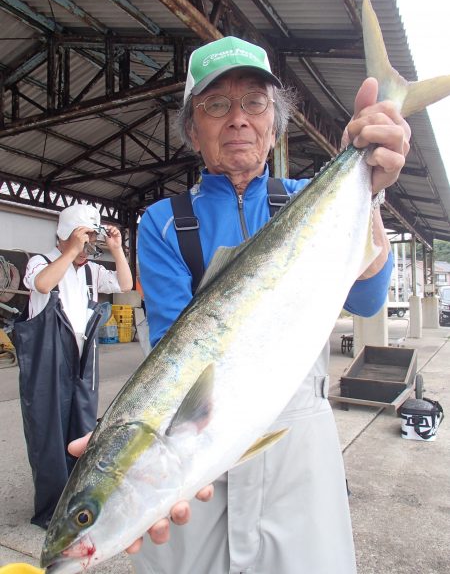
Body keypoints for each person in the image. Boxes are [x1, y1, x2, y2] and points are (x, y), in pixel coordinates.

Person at [70, 35, 410, 571]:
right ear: (192, 129)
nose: (238, 119)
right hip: (201, 454)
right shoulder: (163, 221)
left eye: (254, 102)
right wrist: (135, 446)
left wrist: (370, 188)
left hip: (297, 442)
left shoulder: (309, 197)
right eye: (216, 105)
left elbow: (367, 299)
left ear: (274, 123)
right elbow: (169, 350)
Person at [15, 203, 133, 530]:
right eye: (86, 237)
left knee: (83, 434)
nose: (88, 247)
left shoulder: (91, 271)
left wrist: (116, 249)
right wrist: (70, 251)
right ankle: (52, 512)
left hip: (82, 362)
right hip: (47, 364)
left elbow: (125, 284)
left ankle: (81, 503)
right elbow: (41, 285)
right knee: (48, 437)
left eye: (92, 239)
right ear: (66, 234)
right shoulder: (41, 262)